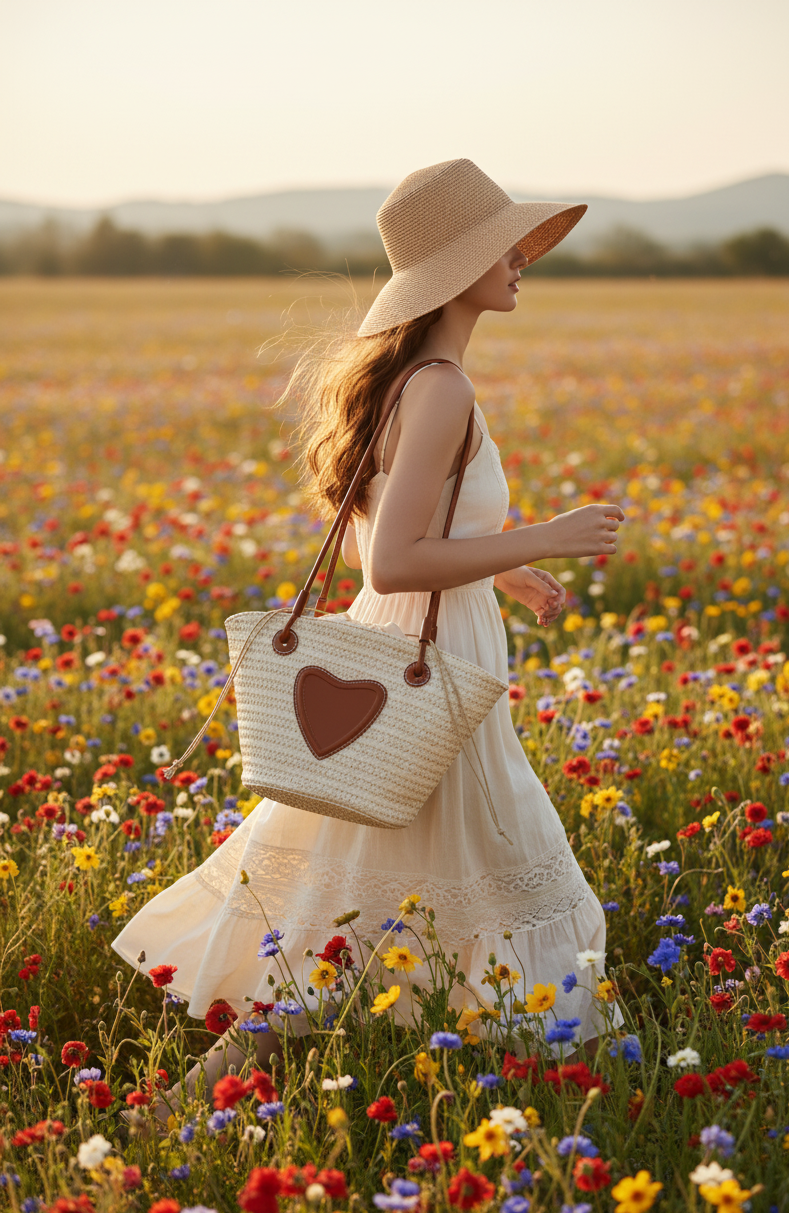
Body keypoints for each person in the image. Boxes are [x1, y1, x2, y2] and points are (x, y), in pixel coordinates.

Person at [111, 158, 626, 1130]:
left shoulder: (418, 380)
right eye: (500, 246)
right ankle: (547, 1118)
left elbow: (396, 533)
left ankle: (185, 1110)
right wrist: (546, 535)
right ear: (454, 268)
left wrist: (497, 569)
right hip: (432, 674)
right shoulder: (440, 391)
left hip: (423, 659)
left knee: (361, 905)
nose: (521, 259)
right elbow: (392, 562)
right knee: (478, 884)